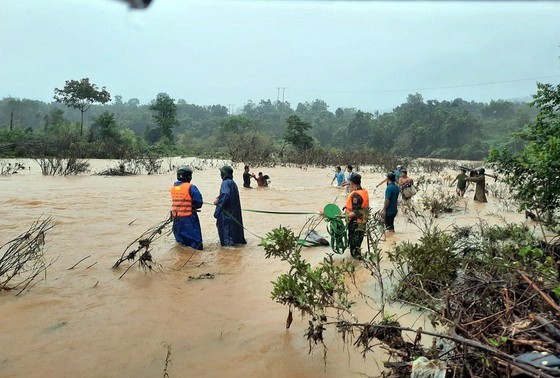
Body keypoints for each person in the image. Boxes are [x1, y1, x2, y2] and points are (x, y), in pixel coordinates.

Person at [170, 165, 204, 250]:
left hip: (176, 218)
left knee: (181, 244)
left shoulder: (173, 188)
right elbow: (199, 202)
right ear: (189, 176)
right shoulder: (191, 187)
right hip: (189, 218)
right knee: (195, 244)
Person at [213, 165, 247, 246]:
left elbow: (225, 195)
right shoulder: (233, 183)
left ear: (224, 174)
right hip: (234, 214)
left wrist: (218, 202)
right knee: (235, 235)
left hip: (227, 215)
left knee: (227, 239)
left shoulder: (225, 183)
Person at [342, 173, 369, 259]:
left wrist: (342, 217)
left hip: (355, 225)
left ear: (352, 183)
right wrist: (346, 207)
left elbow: (357, 212)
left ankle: (358, 267)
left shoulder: (355, 195)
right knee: (357, 246)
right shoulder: (363, 192)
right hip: (362, 223)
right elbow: (359, 206)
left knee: (354, 249)